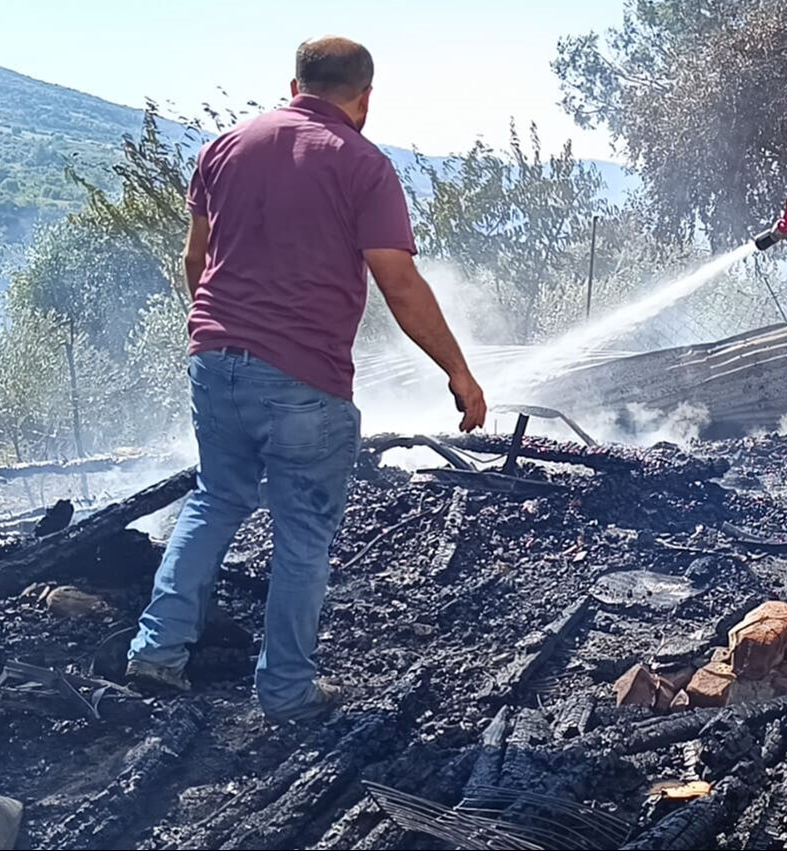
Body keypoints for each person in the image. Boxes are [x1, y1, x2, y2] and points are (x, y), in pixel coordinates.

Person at [126, 36, 487, 721]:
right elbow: (399, 283)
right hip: (303, 381)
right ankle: (286, 691)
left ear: (294, 87)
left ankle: (156, 651)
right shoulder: (361, 163)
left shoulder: (224, 148)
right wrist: (458, 371)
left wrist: (217, 331)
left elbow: (196, 259)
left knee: (214, 499)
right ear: (365, 98)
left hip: (214, 361)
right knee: (302, 534)